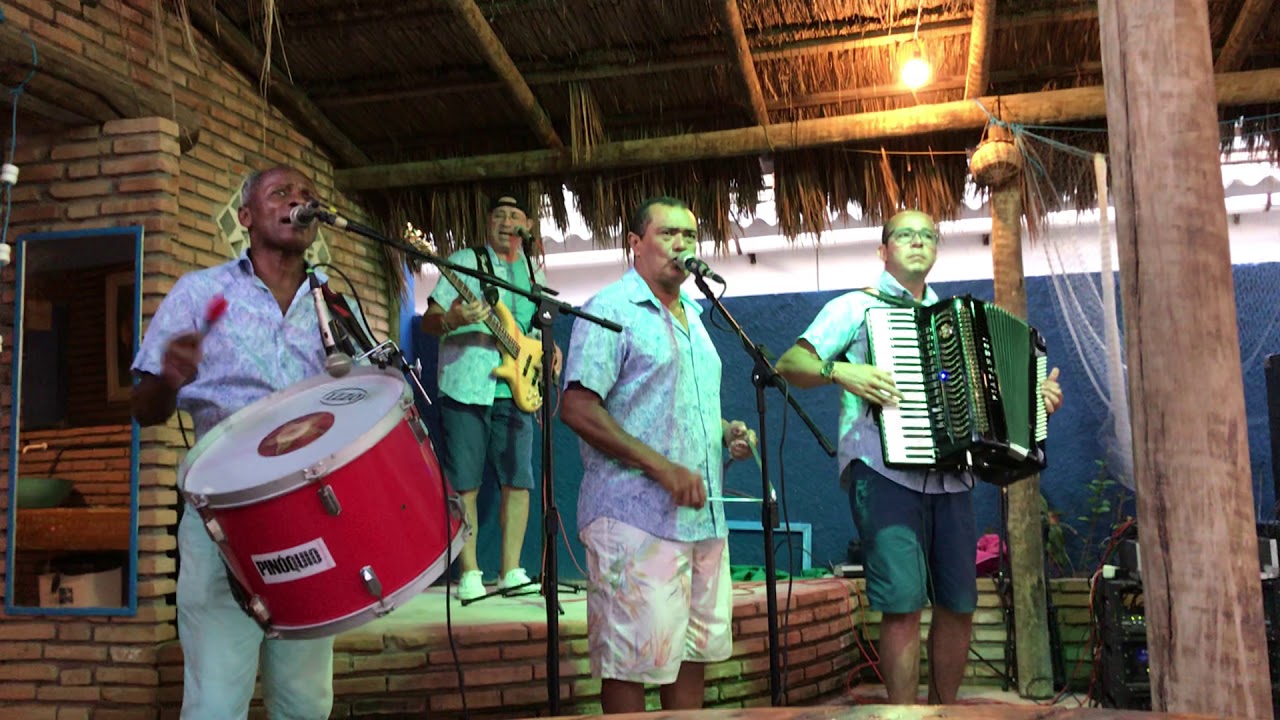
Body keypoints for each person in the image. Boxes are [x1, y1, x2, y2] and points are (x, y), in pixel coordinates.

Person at [775, 209, 1064, 705]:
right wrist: (840, 371)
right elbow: (789, 363)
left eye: (927, 235)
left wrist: (1035, 400)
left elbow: (988, 401)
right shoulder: (854, 307)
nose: (917, 241)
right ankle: (903, 715)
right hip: (883, 474)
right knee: (903, 604)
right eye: (904, 235)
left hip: (952, 480)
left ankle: (943, 712)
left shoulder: (956, 320)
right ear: (883, 250)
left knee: (960, 603)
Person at [130, 165, 337, 718]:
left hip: (309, 518)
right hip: (223, 518)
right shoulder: (200, 293)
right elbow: (144, 409)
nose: (297, 201)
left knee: (305, 702)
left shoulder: (332, 303)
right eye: (280, 193)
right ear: (245, 217)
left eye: (306, 194)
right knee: (216, 704)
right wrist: (168, 378)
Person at [559, 196, 757, 714]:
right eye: (668, 233)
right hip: (634, 517)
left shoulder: (698, 316)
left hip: (702, 519)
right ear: (635, 244)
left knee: (691, 654)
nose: (681, 244)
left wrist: (726, 433)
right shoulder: (610, 309)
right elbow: (577, 407)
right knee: (631, 661)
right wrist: (662, 468)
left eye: (689, 235)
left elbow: (675, 407)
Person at [420, 192, 561, 600]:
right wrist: (452, 319)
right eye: (498, 215)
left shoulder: (533, 270)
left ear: (527, 226)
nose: (505, 222)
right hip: (467, 384)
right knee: (465, 480)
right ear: (487, 222)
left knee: (519, 480)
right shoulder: (465, 261)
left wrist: (549, 349)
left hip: (517, 387)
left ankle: (511, 571)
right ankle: (469, 572)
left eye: (514, 215)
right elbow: (430, 320)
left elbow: (532, 329)